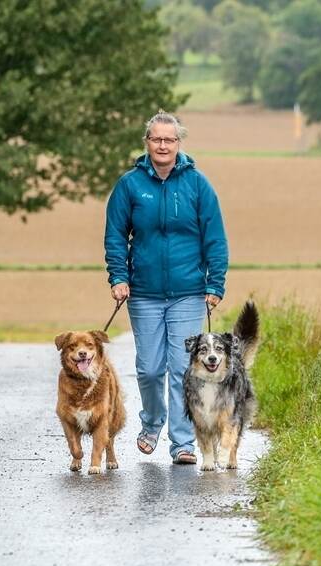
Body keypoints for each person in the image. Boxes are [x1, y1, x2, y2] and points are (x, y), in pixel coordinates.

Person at [104, 110, 228, 465]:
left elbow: (215, 238)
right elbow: (115, 234)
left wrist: (215, 283)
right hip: (143, 293)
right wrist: (119, 277)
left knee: (182, 369)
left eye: (169, 140)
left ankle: (183, 443)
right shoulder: (130, 185)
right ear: (147, 142)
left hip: (189, 292)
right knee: (149, 368)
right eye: (156, 139)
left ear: (178, 144)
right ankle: (152, 422)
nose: (162, 145)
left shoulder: (197, 184)